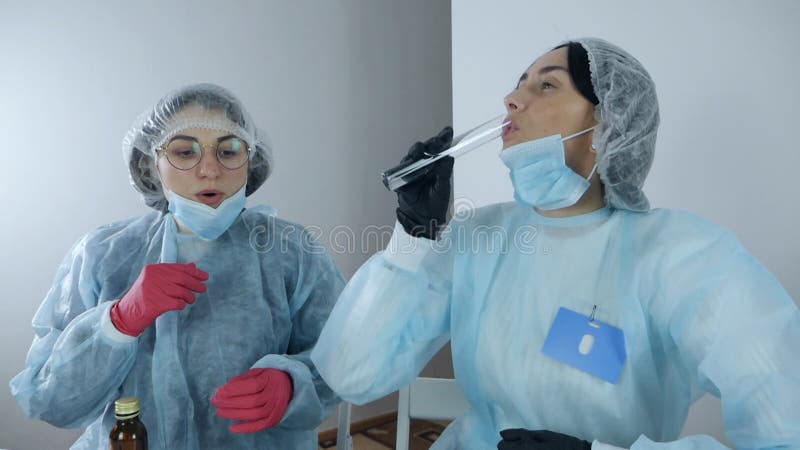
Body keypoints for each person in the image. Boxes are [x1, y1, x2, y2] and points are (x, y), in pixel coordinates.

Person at [311, 38, 800, 450]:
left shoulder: (685, 256)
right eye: (518, 83)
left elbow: (784, 425)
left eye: (546, 84)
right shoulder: (477, 238)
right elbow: (353, 375)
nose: (512, 99)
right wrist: (411, 238)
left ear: (608, 126)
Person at [10, 83, 345, 449]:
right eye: (185, 151)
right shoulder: (102, 255)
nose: (210, 170)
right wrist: (118, 322)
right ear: (151, 163)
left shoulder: (291, 251)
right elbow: (49, 400)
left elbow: (342, 356)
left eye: (229, 150)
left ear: (251, 160)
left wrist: (293, 383)